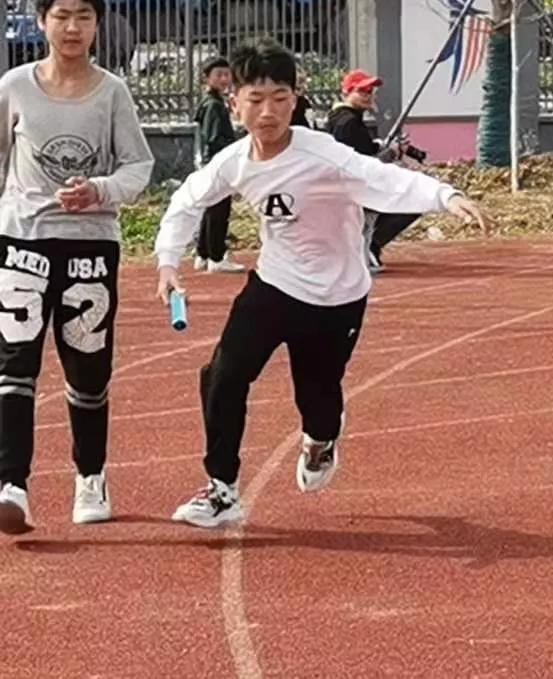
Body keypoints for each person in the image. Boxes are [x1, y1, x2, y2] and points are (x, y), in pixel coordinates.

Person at [152, 40, 490, 528]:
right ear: (235, 103)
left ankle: (321, 439)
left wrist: (446, 196)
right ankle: (222, 488)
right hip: (274, 284)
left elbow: (382, 178)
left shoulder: (324, 155)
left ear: (296, 100)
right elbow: (188, 200)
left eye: (280, 98)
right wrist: (168, 262)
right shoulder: (234, 160)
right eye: (255, 99)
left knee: (317, 399)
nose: (267, 112)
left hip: (337, 297)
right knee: (223, 375)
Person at [0, 0, 155, 535]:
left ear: (98, 25)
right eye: (61, 15)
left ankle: (91, 476)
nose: (72, 27)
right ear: (42, 20)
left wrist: (101, 190)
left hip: (90, 244)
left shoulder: (112, 91)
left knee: (87, 369)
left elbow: (138, 166)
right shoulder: (15, 86)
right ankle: (11, 483)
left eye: (83, 16)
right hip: (22, 242)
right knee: (13, 365)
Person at [326, 69, 420, 272]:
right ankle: (368, 247)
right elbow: (362, 163)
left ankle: (366, 246)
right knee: (414, 198)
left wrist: (381, 147)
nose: (369, 95)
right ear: (348, 92)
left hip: (351, 187)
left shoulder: (343, 118)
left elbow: (363, 150)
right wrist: (392, 153)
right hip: (354, 189)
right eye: (363, 91)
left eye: (371, 91)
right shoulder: (348, 123)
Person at [193, 56, 246, 274]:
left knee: (211, 208)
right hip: (217, 163)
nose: (224, 79)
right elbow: (215, 138)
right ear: (207, 78)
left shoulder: (210, 103)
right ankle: (216, 255)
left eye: (227, 74)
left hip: (209, 163)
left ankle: (204, 254)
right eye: (219, 75)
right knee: (219, 209)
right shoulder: (214, 105)